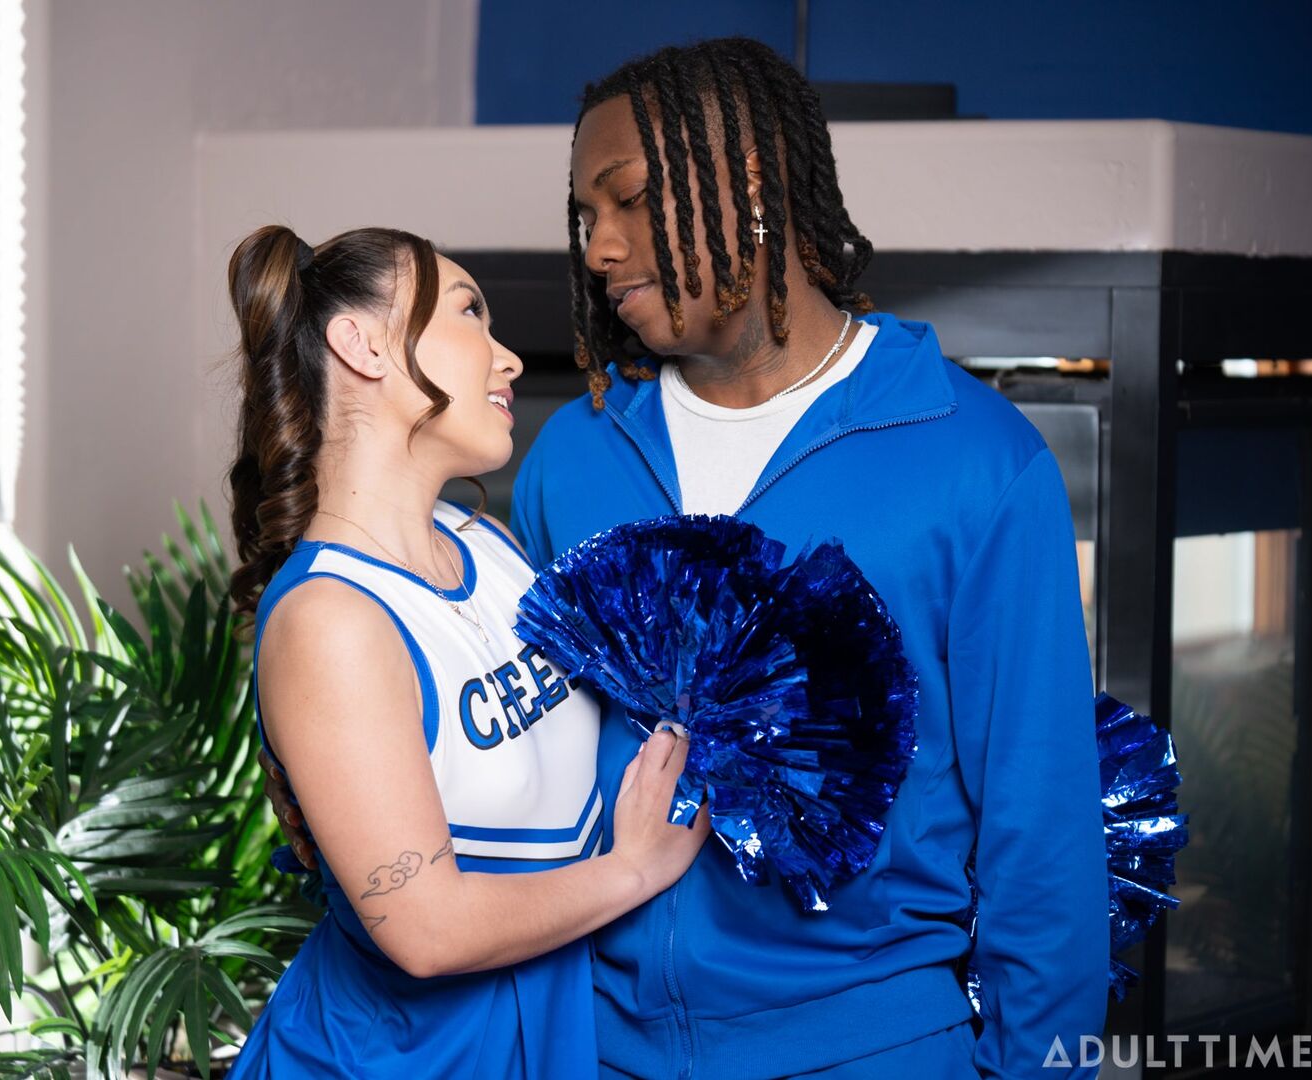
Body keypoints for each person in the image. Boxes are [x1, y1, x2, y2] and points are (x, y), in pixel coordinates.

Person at [269, 37, 1109, 1079]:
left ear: (749, 185)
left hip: (871, 1047)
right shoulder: (574, 456)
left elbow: (1044, 832)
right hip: (592, 1048)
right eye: (585, 218)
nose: (599, 249)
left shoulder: (977, 460)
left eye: (626, 199)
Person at [224, 224, 709, 1079]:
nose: (508, 358)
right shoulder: (330, 618)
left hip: (542, 1039)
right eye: (469, 313)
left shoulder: (488, 544)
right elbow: (426, 930)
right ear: (363, 345)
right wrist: (633, 871)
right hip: (393, 1060)